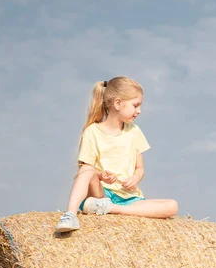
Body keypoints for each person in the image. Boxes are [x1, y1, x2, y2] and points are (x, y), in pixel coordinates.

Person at [55, 76, 179, 232]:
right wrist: (101, 175)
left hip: (129, 198)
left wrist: (135, 178)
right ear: (118, 103)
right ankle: (70, 215)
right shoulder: (92, 132)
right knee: (87, 169)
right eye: (135, 105)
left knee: (172, 206)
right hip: (101, 193)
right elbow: (85, 170)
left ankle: (113, 209)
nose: (139, 111)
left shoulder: (134, 132)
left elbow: (140, 168)